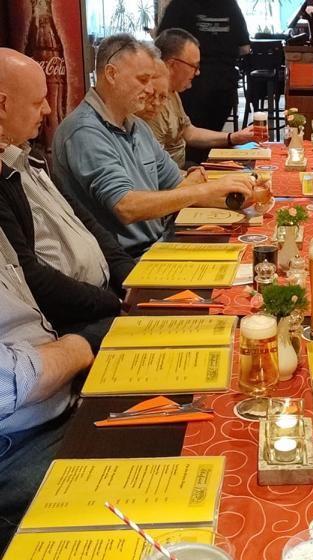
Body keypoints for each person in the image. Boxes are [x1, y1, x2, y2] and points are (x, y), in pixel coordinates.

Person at [52, 34, 254, 258]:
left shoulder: (135, 125)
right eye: (143, 79)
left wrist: (246, 193)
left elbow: (181, 186)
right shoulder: (85, 131)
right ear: (111, 74)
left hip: (160, 240)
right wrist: (203, 190)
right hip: (127, 259)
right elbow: (126, 207)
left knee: (247, 249)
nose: (150, 90)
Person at [0, 120, 96, 558]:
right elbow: (9, 383)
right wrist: (79, 346)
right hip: (18, 447)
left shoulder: (13, 176)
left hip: (59, 396)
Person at [0, 48, 134, 335]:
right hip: (71, 322)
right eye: (38, 102)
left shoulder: (32, 158)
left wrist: (134, 279)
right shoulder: (4, 179)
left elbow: (89, 225)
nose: (48, 110)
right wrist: (114, 303)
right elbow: (32, 277)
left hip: (105, 298)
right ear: (2, 105)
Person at [147, 28, 257, 169]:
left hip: (181, 169)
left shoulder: (172, 92)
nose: (198, 72)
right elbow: (155, 171)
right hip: (173, 177)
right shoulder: (153, 104)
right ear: (172, 64)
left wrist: (234, 137)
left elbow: (189, 132)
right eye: (194, 66)